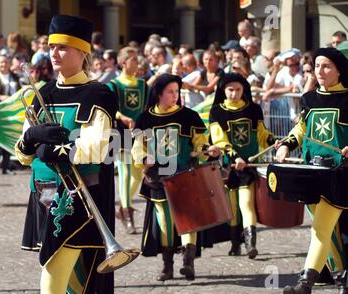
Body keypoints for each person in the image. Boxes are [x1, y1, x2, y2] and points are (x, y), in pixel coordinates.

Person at [14, 15, 117, 294]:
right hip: (41, 195)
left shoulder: (98, 93)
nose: (54, 53)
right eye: (51, 46)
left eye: (63, 47)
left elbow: (96, 148)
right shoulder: (42, 92)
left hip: (77, 199)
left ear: (83, 52)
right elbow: (22, 155)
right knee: (74, 287)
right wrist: (31, 138)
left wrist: (54, 150)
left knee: (53, 280)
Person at [275, 47, 348, 294]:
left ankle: (305, 285)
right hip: (312, 172)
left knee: (320, 229)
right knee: (328, 233)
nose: (320, 71)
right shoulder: (309, 99)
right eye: (317, 66)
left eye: (326, 66)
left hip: (340, 175)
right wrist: (286, 144)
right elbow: (300, 130)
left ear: (339, 71)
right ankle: (344, 282)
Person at [132, 74, 220, 281]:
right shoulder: (145, 119)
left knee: (188, 219)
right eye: (171, 91)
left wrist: (208, 150)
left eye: (177, 91)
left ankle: (188, 262)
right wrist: (144, 158)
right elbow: (137, 147)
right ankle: (167, 265)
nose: (175, 95)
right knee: (165, 220)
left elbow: (199, 143)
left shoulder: (189, 116)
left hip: (185, 175)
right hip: (158, 178)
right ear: (158, 93)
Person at [209, 73, 276, 259]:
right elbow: (220, 140)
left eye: (238, 89)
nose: (234, 93)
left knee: (246, 203)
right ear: (223, 90)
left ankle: (250, 244)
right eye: (230, 90)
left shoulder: (253, 109)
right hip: (228, 168)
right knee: (232, 208)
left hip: (248, 167)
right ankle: (234, 243)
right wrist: (235, 157)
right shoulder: (217, 112)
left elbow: (261, 133)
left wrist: (273, 141)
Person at [107, 46, 149, 234]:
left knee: (138, 174)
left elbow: (147, 108)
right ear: (123, 63)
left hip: (139, 133)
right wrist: (122, 116)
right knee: (124, 173)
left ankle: (124, 207)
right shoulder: (114, 85)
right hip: (121, 132)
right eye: (133, 60)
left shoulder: (143, 85)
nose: (137, 64)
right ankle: (127, 212)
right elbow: (110, 108)